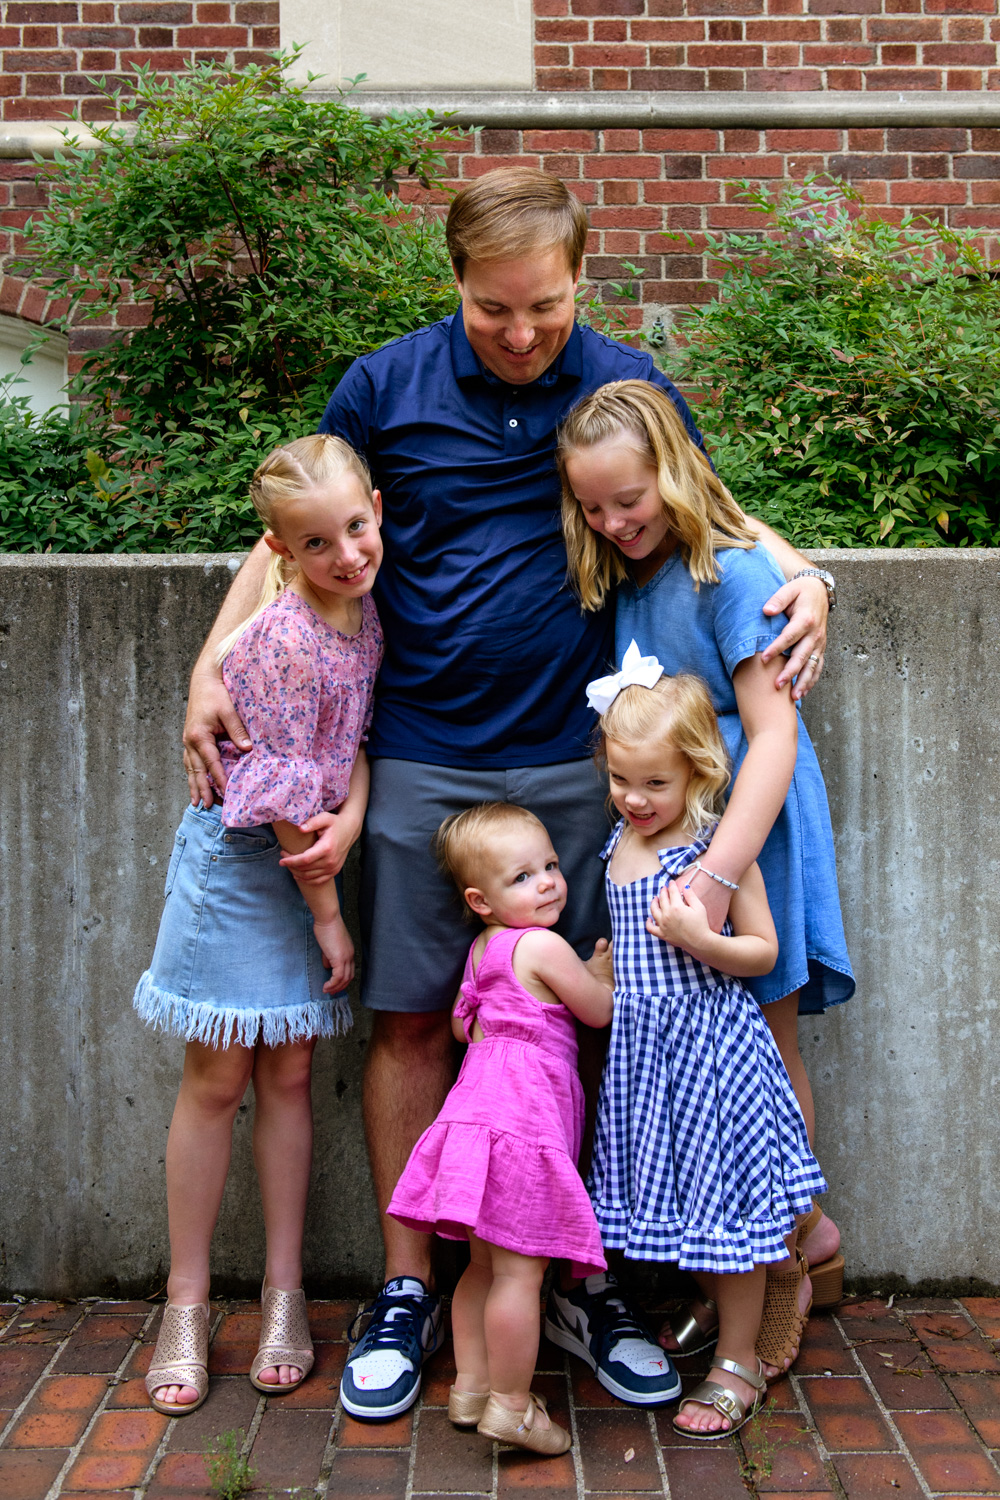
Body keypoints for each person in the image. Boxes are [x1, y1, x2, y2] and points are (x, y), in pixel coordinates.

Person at [180, 167, 833, 1418]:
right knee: (415, 1018)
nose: (522, 333)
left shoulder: (626, 384)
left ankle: (570, 1275)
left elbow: (714, 514)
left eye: (544, 307)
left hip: (583, 764)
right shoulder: (385, 386)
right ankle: (411, 1282)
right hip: (420, 750)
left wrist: (813, 579)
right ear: (456, 288)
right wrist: (214, 667)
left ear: (580, 279)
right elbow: (292, 526)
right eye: (494, 311)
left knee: (582, 1018)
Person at [557, 379, 853, 1378]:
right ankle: (785, 1245)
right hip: (678, 836)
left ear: (673, 474)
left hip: (742, 834)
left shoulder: (725, 576)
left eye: (629, 499)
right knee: (704, 1056)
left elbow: (774, 733)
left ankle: (784, 1262)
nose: (612, 521)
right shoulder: (633, 578)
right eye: (592, 508)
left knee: (762, 1049)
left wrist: (721, 874)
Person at [135, 435, 383, 1415]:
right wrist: (328, 915)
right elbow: (278, 787)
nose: (347, 554)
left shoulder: (362, 611)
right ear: (278, 549)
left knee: (287, 1072)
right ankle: (185, 1304)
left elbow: (351, 746)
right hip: (248, 865)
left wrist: (354, 822)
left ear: (376, 507)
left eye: (356, 527)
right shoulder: (280, 639)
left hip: (310, 848)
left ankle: (285, 1296)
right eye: (317, 542)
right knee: (217, 1075)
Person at [586, 668, 827, 1438]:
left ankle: (739, 1361)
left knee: (725, 1210)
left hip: (711, 1058)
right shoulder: (619, 841)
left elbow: (763, 951)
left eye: (655, 781)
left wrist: (701, 938)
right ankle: (727, 1326)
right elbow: (626, 944)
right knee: (688, 1205)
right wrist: (603, 968)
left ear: (698, 769)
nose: (635, 797)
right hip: (645, 1062)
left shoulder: (712, 852)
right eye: (621, 778)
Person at [382, 803, 616, 1452]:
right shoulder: (543, 946)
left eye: (549, 866)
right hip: (522, 1131)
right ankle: (513, 1407)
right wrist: (597, 974)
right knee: (520, 1277)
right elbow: (595, 1011)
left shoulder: (483, 952)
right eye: (523, 877)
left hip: (470, 1123)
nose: (547, 882)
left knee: (479, 1270)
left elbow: (463, 1027)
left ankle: (472, 1388)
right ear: (480, 900)